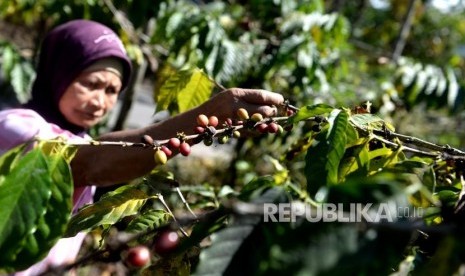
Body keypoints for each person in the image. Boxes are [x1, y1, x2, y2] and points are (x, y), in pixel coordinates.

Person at [0, 19, 284, 274]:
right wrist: (206, 114)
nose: (100, 102)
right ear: (58, 74)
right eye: (90, 84)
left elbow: (94, 155)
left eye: (112, 91)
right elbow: (88, 162)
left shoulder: (82, 139)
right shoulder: (16, 125)